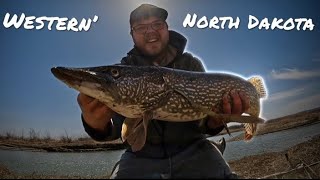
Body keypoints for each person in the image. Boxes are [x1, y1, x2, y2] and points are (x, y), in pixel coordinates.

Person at [77, 4, 249, 179]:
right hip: (140, 157)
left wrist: (217, 121)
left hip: (194, 148)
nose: (150, 31)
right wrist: (95, 125)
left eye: (157, 24)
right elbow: (117, 127)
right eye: (141, 27)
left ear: (167, 28)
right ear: (132, 35)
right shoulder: (125, 71)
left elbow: (204, 123)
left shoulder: (190, 65)